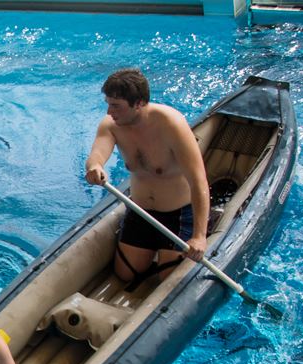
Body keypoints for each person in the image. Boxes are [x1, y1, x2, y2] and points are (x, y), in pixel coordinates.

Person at [84, 68, 210, 285]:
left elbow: (198, 181)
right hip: (141, 211)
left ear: (139, 103)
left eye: (116, 105)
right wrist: (95, 167)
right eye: (108, 103)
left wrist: (199, 236)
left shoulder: (171, 124)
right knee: (126, 275)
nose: (109, 111)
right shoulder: (111, 124)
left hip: (178, 214)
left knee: (168, 280)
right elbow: (96, 155)